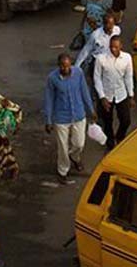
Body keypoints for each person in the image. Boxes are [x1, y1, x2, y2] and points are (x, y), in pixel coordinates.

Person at [43, 53, 97, 184]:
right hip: (61, 118)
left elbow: (84, 91)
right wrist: (48, 120)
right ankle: (62, 170)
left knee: (79, 143)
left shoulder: (78, 73)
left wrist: (91, 109)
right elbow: (49, 99)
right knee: (62, 146)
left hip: (78, 115)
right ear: (59, 66)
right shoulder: (52, 78)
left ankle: (74, 156)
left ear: (71, 65)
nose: (65, 69)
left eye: (68, 66)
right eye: (63, 66)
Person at [93, 35, 135, 148]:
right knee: (107, 121)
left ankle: (120, 137)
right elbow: (97, 78)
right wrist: (102, 97)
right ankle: (110, 141)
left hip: (122, 94)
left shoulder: (127, 58)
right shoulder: (101, 59)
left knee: (126, 120)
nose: (113, 49)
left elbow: (128, 77)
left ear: (121, 46)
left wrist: (131, 95)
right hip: (107, 96)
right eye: (111, 47)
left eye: (116, 47)